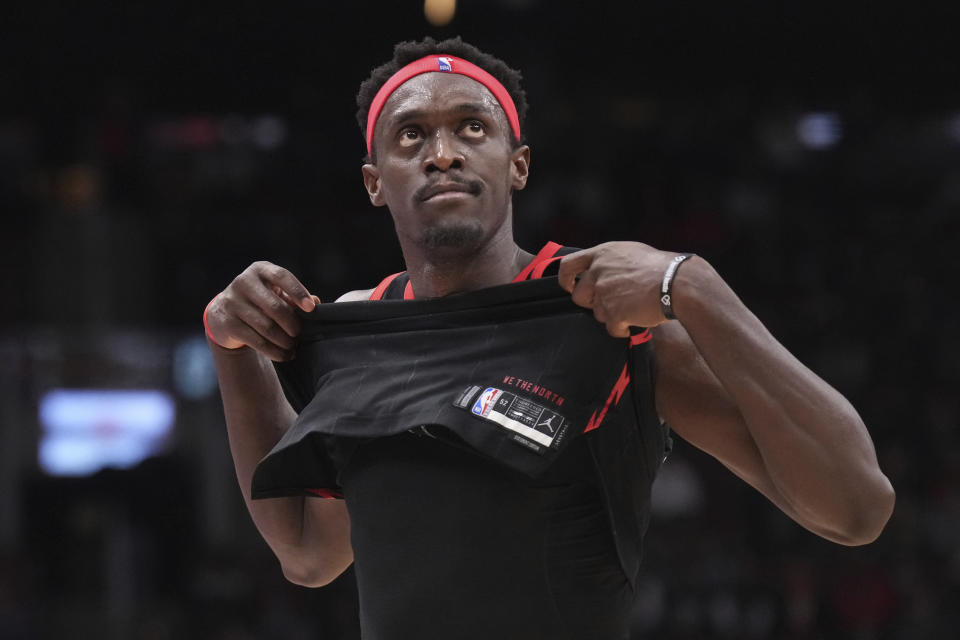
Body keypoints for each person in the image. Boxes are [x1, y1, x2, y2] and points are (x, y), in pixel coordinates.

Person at [203, 37, 895, 639]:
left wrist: (694, 284)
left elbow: (856, 508)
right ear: (374, 181)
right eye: (411, 135)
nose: (443, 154)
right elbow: (306, 553)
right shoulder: (356, 332)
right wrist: (231, 348)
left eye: (472, 127)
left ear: (518, 164)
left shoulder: (607, 320)